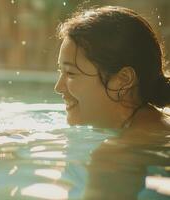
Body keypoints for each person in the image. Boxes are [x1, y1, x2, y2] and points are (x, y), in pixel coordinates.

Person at [55, 6, 170, 199]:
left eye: (71, 73)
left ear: (123, 80)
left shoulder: (116, 158)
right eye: (60, 72)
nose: (58, 87)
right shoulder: (156, 126)